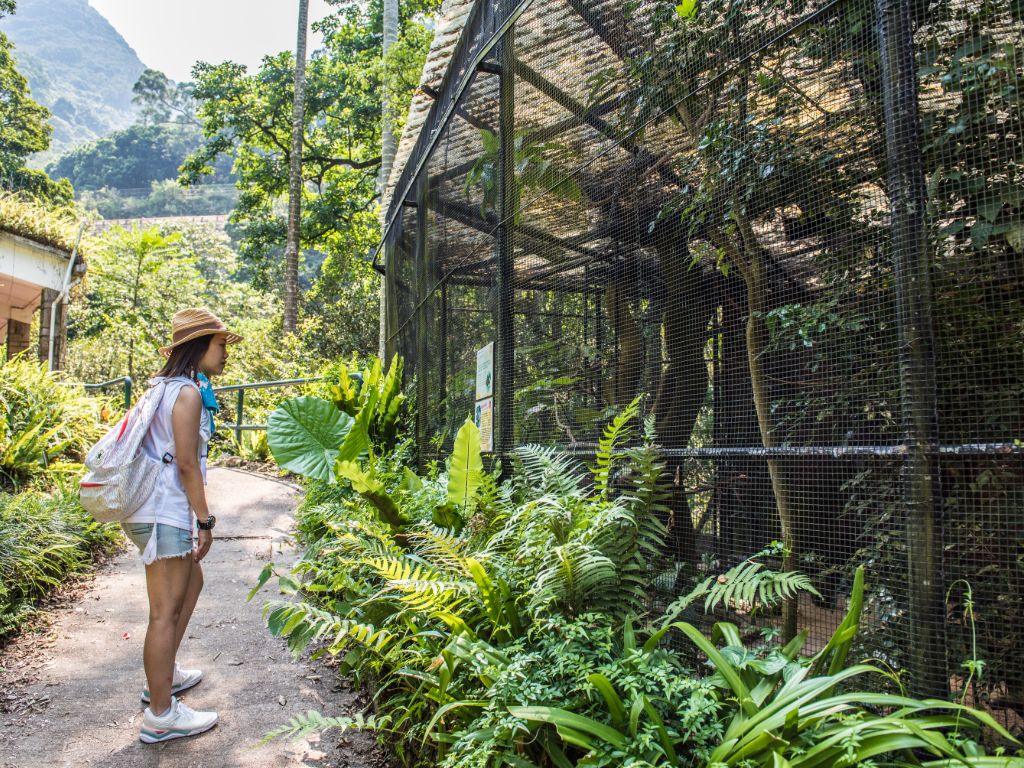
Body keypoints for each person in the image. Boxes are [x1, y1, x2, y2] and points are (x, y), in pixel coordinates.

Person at [121, 307, 242, 744]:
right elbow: (187, 465)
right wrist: (205, 520)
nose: (226, 352)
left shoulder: (164, 388)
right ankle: (160, 715)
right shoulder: (186, 394)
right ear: (198, 346)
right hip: (163, 512)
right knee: (164, 612)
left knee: (192, 581)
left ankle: (165, 676)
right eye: (221, 344)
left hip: (152, 511)